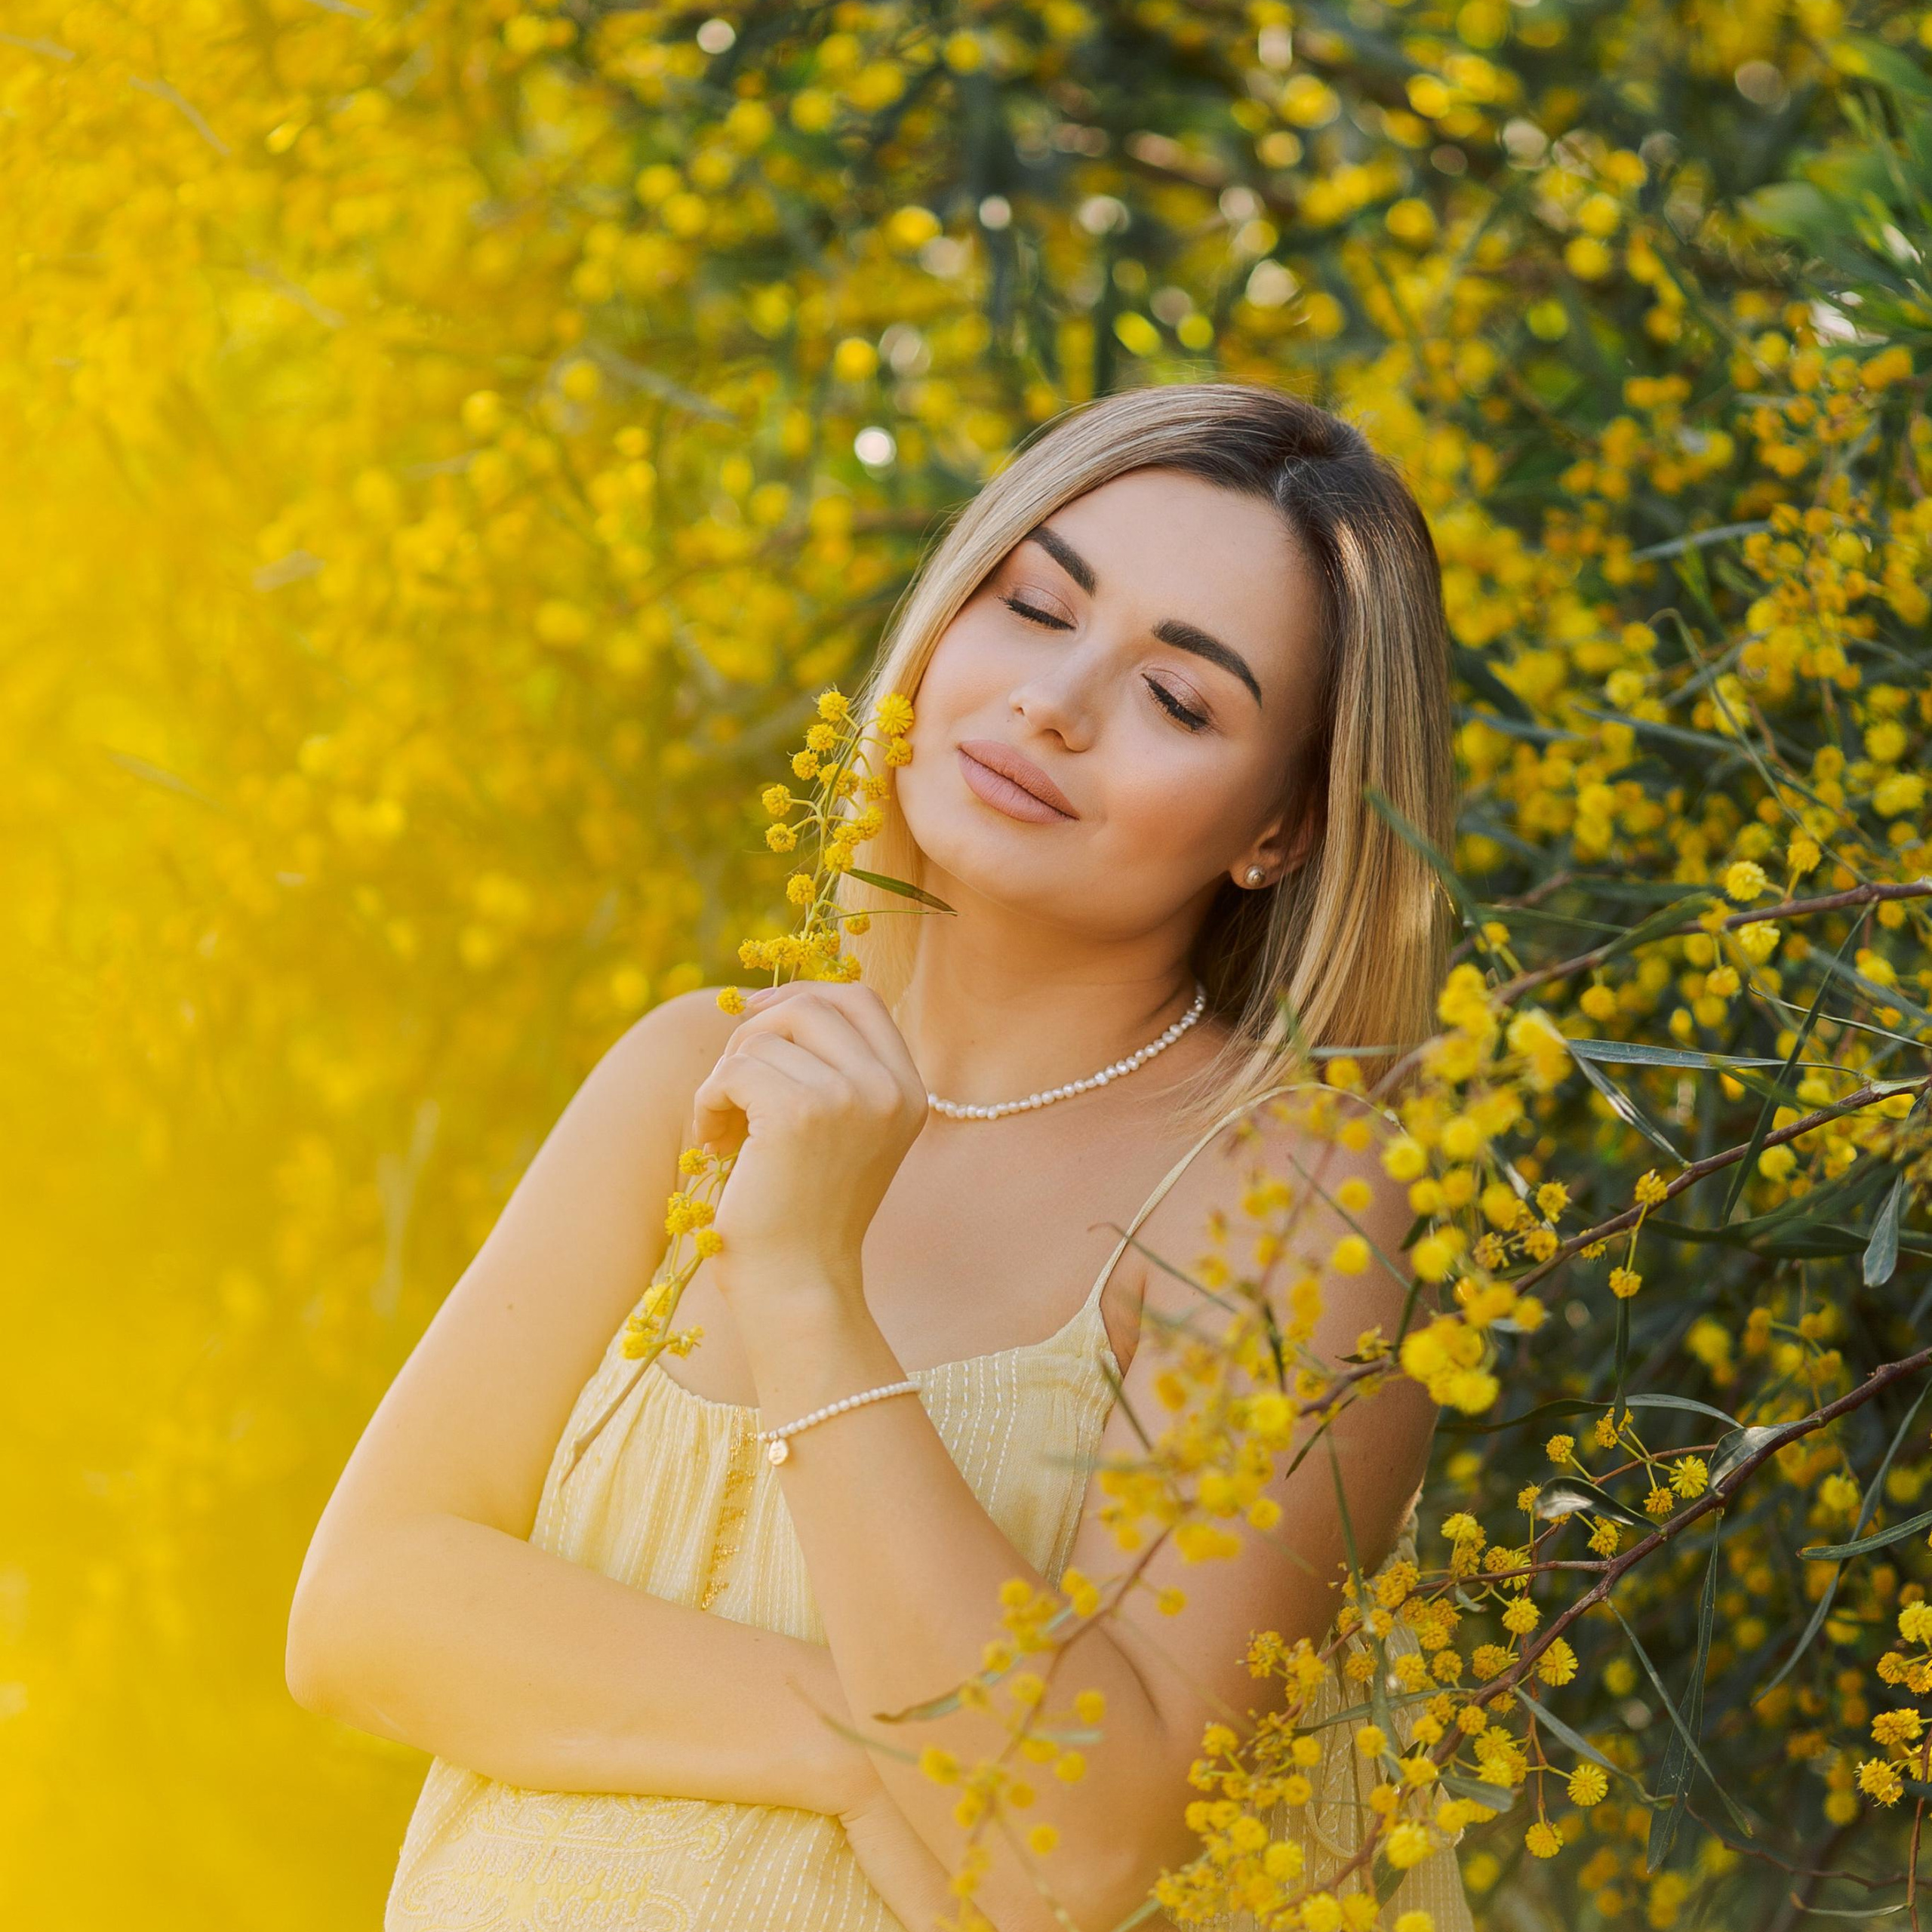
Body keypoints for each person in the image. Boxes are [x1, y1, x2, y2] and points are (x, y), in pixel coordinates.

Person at [285, 380, 1474, 1932]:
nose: (1053, 703)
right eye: (1034, 606)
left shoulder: (1290, 1201)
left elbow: (1071, 1850)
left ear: (1279, 830)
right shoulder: (692, 1075)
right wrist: (853, 1745)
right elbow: (362, 1608)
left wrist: (801, 1282)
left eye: (1180, 700)